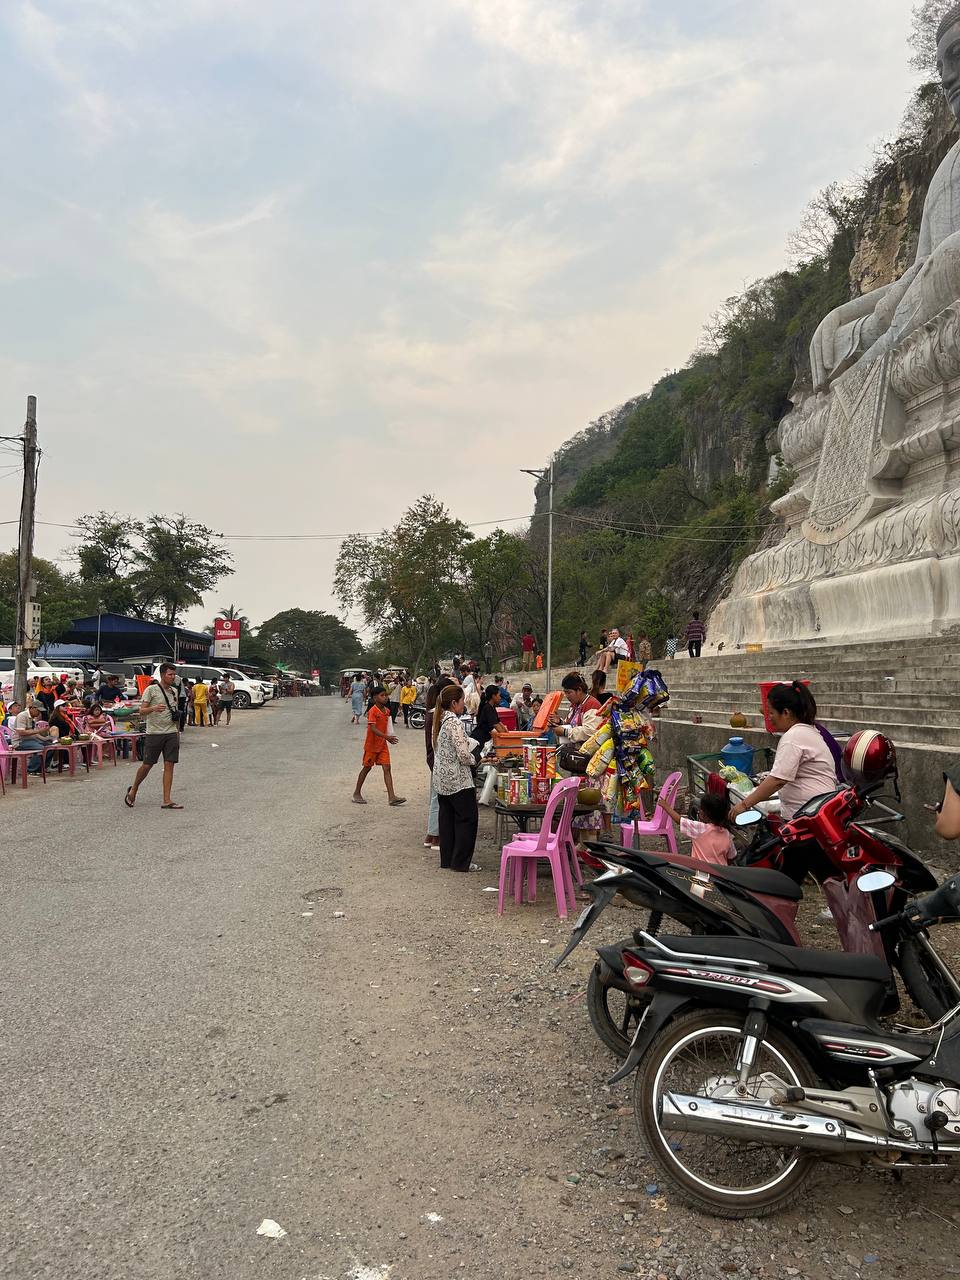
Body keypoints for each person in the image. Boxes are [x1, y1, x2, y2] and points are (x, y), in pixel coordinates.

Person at [729, 682, 838, 822]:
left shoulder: (793, 737)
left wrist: (744, 804)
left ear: (786, 713)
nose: (769, 718)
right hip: (814, 811)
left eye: (772, 713)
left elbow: (777, 780)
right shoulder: (806, 730)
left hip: (810, 816)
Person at [432, 683, 480, 872]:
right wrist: (476, 759)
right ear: (454, 703)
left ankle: (448, 859)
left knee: (447, 820)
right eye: (462, 701)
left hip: (442, 779)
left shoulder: (440, 720)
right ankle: (460, 862)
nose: (464, 704)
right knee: (467, 820)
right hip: (458, 780)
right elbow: (463, 754)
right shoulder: (454, 722)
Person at [124, 663, 182, 809]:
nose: (172, 677)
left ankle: (167, 800)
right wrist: (154, 708)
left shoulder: (174, 691)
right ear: (162, 675)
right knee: (147, 764)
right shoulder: (151, 690)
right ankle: (134, 789)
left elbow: (175, 713)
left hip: (171, 732)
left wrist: (177, 733)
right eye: (170, 674)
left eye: (174, 674)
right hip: (154, 733)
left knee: (169, 764)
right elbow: (141, 711)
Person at [353, 686, 405, 806]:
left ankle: (392, 797)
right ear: (375, 698)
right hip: (372, 745)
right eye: (382, 695)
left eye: (386, 695)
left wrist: (389, 737)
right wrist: (387, 737)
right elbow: (373, 728)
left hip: (382, 745)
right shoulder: (373, 711)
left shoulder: (386, 711)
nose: (385, 697)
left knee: (387, 768)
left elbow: (386, 727)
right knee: (367, 768)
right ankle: (356, 793)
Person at [657, 791, 735, 864]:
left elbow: (679, 820)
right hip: (720, 871)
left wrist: (665, 806)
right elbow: (732, 857)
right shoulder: (727, 834)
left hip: (700, 870)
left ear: (705, 815)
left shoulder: (699, 828)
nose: (699, 811)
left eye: (701, 809)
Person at [424, 676, 456, 849]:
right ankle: (436, 836)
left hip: (434, 758)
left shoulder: (432, 712)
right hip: (438, 760)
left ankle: (431, 834)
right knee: (439, 799)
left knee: (435, 798)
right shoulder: (438, 714)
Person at [551, 671, 603, 743]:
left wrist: (566, 732)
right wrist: (560, 722)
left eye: (569, 692)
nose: (566, 696)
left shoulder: (592, 705)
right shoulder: (575, 705)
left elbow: (590, 731)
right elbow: (571, 725)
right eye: (565, 692)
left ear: (579, 690)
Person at [11, 699, 55, 774]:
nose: (39, 713)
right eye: (38, 711)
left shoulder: (32, 718)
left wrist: (45, 739)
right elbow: (21, 732)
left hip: (30, 740)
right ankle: (31, 770)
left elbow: (34, 733)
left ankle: (42, 768)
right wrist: (39, 731)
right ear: (32, 708)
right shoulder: (22, 716)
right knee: (40, 748)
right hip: (20, 742)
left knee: (50, 747)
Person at [473, 684, 502, 759]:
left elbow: (499, 722)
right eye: (499, 695)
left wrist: (507, 733)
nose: (500, 698)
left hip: (484, 739)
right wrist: (505, 737)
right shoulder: (487, 708)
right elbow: (496, 726)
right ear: (493, 696)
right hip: (479, 739)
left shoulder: (492, 707)